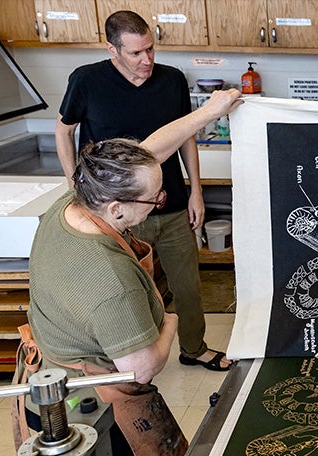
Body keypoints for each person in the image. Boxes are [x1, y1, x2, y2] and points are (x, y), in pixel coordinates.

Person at [22, 89, 244, 456]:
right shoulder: (111, 279)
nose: (159, 202)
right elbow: (139, 367)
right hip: (86, 401)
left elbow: (147, 154)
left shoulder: (76, 201)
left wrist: (210, 112)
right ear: (117, 208)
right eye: (154, 200)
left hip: (48, 369)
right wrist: (170, 323)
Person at [54, 10, 231, 371]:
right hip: (116, 212)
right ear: (112, 49)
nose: (146, 60)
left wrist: (195, 190)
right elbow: (63, 130)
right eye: (135, 53)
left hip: (171, 205)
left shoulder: (172, 80)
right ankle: (130, 360)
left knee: (187, 286)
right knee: (125, 292)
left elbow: (185, 137)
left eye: (150, 49)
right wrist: (76, 182)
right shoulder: (86, 81)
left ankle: (194, 348)